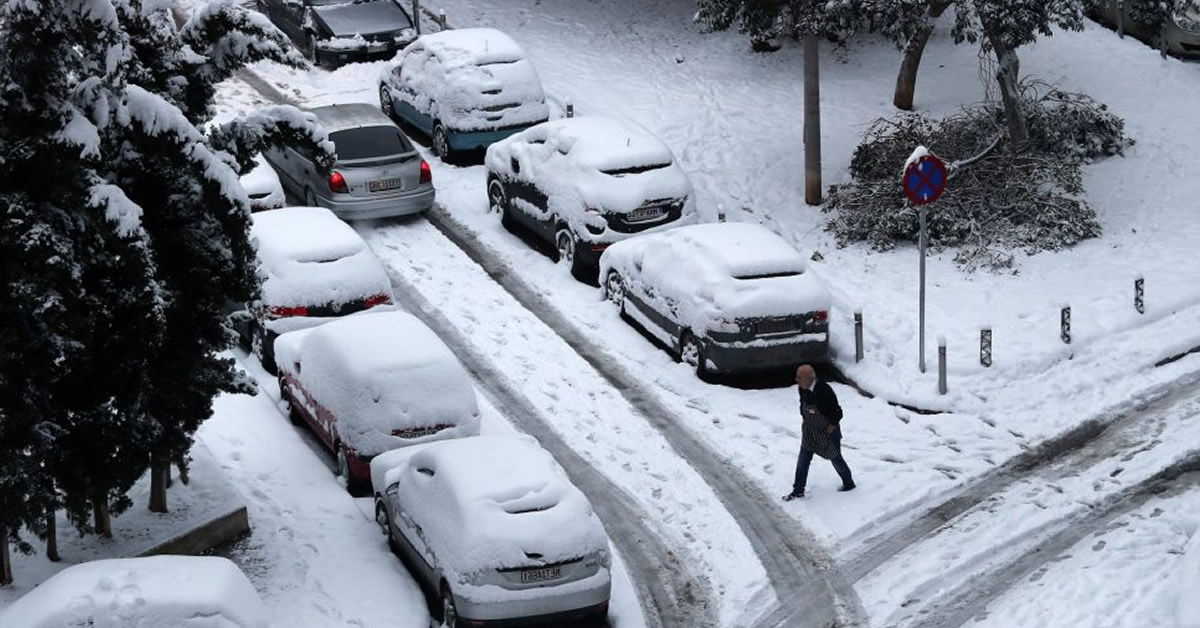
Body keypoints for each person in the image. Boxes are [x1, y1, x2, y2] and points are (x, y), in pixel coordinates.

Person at [783, 364, 855, 500]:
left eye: (799, 377)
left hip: (827, 433)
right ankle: (798, 489)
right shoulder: (802, 388)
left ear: (809, 378)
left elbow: (837, 412)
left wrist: (832, 426)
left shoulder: (824, 390)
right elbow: (803, 406)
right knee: (803, 459)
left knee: (836, 459)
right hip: (810, 431)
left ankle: (849, 484)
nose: (796, 380)